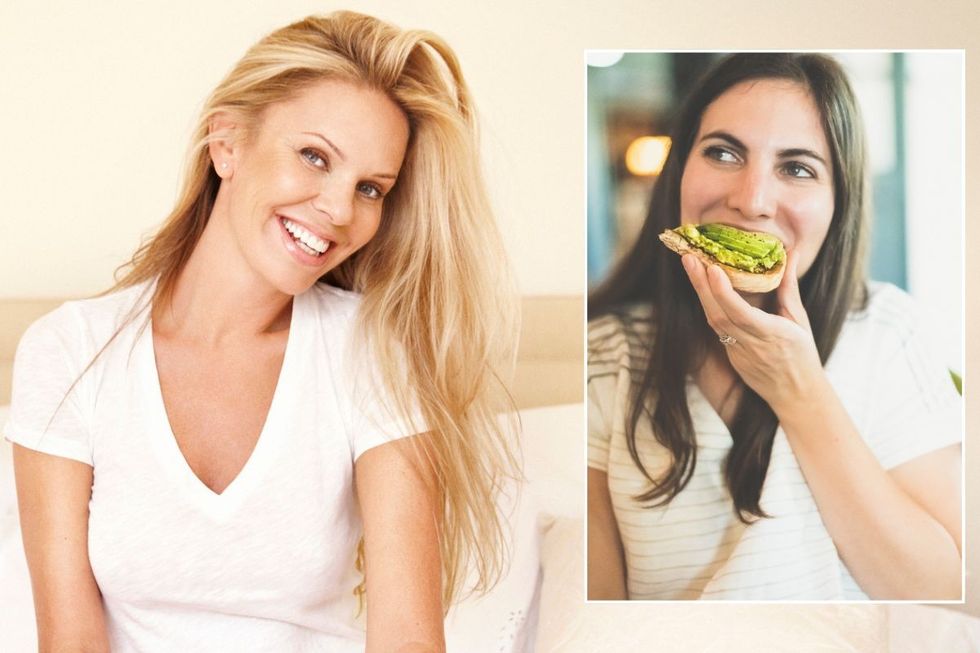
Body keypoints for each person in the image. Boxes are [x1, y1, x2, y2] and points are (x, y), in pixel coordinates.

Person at [6, 11, 518, 651]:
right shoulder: (70, 351)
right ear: (226, 143)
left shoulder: (371, 352)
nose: (339, 210)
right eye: (314, 156)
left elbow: (407, 640)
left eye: (370, 188)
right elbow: (70, 641)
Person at [587, 53, 962, 601]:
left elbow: (944, 589)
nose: (752, 201)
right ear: (679, 171)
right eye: (722, 153)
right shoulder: (605, 353)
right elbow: (601, 612)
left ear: (840, 202)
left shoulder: (888, 334)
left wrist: (799, 390)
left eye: (798, 168)